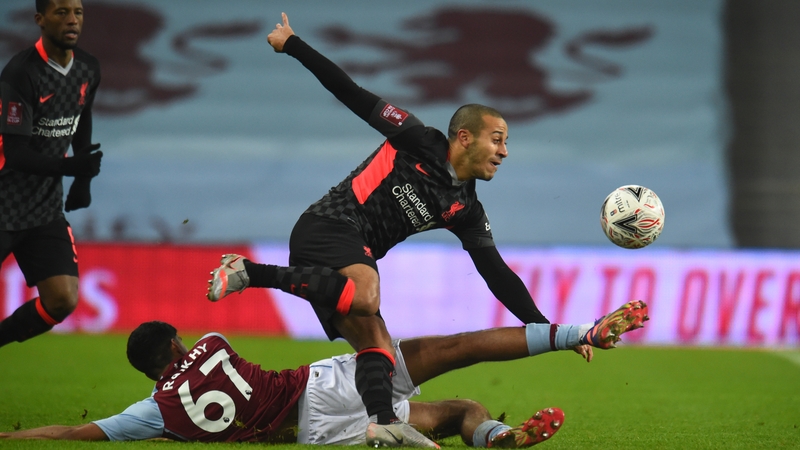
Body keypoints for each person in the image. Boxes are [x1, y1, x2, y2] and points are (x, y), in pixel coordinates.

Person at [206, 12, 589, 445]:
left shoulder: (466, 208)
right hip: (327, 226)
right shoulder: (417, 138)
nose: (504, 151)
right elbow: (351, 93)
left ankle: (385, 421)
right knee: (368, 295)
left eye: (505, 143)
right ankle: (249, 273)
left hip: (343, 267)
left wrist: (546, 326)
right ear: (464, 137)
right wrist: (293, 44)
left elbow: (497, 275)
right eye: (497, 139)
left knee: (379, 348)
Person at [0, 300, 649, 445]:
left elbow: (77, 431)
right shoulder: (213, 341)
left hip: (315, 434)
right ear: (173, 342)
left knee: (457, 412)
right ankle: (577, 335)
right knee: (455, 347)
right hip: (323, 385)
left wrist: (13, 440)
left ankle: (500, 438)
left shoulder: (156, 413)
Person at [0, 0, 103, 348]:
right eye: (62, 12)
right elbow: (14, 154)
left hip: (44, 209)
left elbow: (81, 116)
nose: (72, 20)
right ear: (40, 20)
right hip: (4, 201)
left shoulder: (88, 68)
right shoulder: (21, 73)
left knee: (63, 299)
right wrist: (69, 167)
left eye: (78, 12)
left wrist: (82, 180)